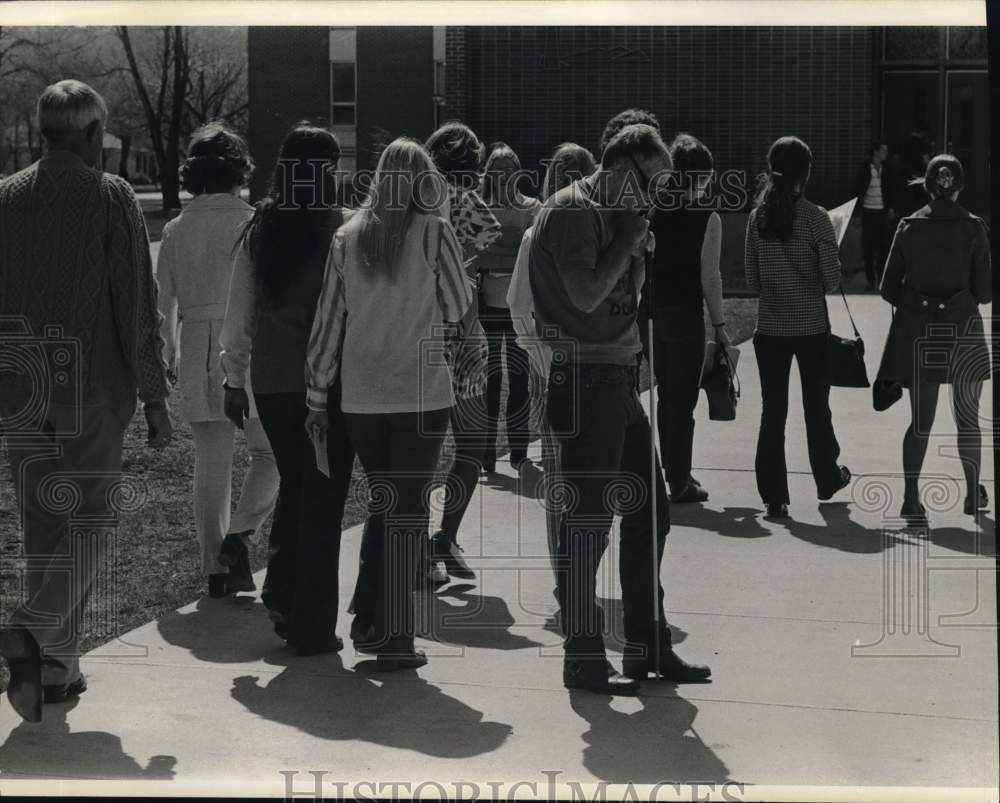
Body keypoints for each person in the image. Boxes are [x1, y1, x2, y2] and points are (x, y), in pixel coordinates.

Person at [0, 80, 172, 722]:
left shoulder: (7, 196)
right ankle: (34, 622)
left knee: (45, 524)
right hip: (89, 383)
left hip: (21, 386)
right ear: (95, 134)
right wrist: (154, 396)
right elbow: (134, 302)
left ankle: (55, 668)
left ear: (46, 133)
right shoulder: (111, 195)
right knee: (94, 518)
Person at [530, 121, 712, 694]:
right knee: (588, 520)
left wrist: (635, 253)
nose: (656, 196)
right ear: (615, 168)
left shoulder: (617, 216)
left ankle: (645, 644)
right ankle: (583, 652)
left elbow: (626, 301)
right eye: (651, 181)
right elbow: (584, 295)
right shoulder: (572, 213)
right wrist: (629, 245)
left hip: (617, 377)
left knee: (650, 510)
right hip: (583, 379)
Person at [305, 138, 472, 670]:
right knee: (406, 513)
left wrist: (316, 392)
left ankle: (369, 617)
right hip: (420, 392)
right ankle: (393, 634)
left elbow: (329, 321)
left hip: (361, 396)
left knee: (387, 505)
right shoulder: (435, 233)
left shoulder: (346, 236)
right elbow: (457, 305)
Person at [221, 122, 352, 654]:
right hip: (326, 382)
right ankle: (303, 616)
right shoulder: (340, 228)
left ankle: (284, 595)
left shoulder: (262, 228)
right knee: (320, 495)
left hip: (272, 381)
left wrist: (234, 380)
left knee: (299, 485)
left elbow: (238, 316)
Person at [156, 122, 279, 599]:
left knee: (211, 465)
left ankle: (216, 567)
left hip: (196, 345)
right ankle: (238, 536)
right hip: (247, 346)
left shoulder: (175, 229)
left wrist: (167, 355)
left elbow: (160, 302)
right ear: (238, 170)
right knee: (269, 454)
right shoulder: (254, 220)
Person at [874, 154, 992, 527]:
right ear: (958, 186)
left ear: (926, 185)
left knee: (920, 423)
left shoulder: (909, 226)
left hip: (922, 333)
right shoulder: (974, 228)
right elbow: (986, 293)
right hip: (964, 332)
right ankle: (973, 494)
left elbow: (888, 288)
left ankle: (911, 498)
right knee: (968, 421)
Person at [744, 136, 852, 519]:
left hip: (771, 328)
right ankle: (827, 477)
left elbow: (752, 281)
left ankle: (774, 495)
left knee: (773, 411)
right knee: (816, 407)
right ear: (805, 173)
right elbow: (830, 280)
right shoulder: (817, 217)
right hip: (810, 328)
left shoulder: (758, 218)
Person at [509, 142, 596, 586]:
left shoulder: (603, 231)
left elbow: (518, 306)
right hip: (561, 371)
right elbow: (520, 306)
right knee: (568, 481)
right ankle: (569, 578)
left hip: (589, 370)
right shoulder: (538, 234)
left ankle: (573, 574)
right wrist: (544, 358)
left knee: (575, 482)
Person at [423, 122, 501, 582]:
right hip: (462, 330)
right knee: (471, 445)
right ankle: (445, 535)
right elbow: (488, 246)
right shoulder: (467, 202)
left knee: (420, 452)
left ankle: (419, 546)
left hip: (418, 332)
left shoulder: (409, 200)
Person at [643, 133, 728, 503]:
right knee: (684, 402)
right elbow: (709, 275)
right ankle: (680, 479)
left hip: (651, 314)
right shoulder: (707, 218)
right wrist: (721, 325)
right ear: (701, 175)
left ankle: (670, 472)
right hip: (685, 314)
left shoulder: (650, 211)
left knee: (665, 396)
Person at [478, 143, 541, 474]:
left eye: (507, 168)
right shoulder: (479, 206)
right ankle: (487, 454)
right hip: (487, 308)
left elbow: (531, 255)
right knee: (490, 382)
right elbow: (478, 256)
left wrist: (496, 248)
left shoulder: (533, 208)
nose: (501, 175)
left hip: (519, 308)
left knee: (519, 381)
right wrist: (512, 248)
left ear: (518, 171)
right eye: (495, 169)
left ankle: (518, 452)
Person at [853, 141, 897, 291]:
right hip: (868, 210)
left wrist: (891, 207)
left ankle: (881, 279)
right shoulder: (866, 168)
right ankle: (870, 280)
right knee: (869, 246)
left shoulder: (888, 169)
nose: (886, 153)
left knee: (883, 246)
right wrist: (857, 212)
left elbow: (892, 189)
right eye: (883, 150)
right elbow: (857, 189)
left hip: (882, 211)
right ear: (876, 152)